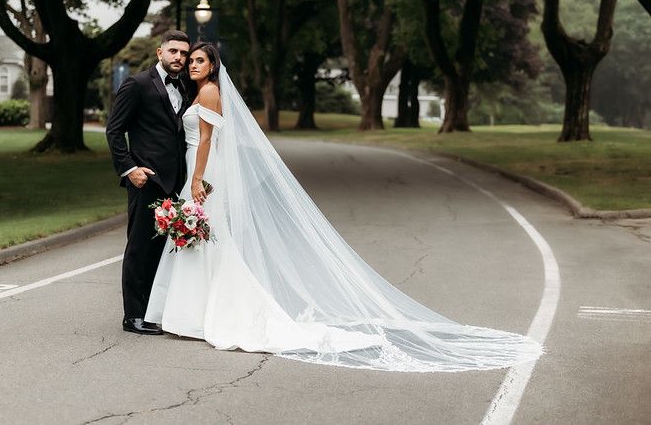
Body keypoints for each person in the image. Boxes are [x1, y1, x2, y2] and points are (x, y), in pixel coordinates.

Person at [144, 42, 544, 372]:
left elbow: (210, 140)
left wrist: (197, 180)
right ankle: (194, 312)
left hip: (206, 170)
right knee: (205, 238)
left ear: (214, 67)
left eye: (200, 60)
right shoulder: (198, 92)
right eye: (190, 60)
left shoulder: (210, 90)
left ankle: (209, 313)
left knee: (210, 237)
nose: (192, 64)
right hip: (200, 168)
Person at [106, 30, 190, 335]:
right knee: (140, 248)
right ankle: (134, 315)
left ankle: (155, 309)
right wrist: (130, 169)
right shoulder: (137, 84)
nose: (179, 58)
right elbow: (114, 131)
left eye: (183, 53)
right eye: (174, 52)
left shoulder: (185, 86)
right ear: (160, 53)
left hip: (176, 182)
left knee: (164, 249)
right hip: (146, 181)